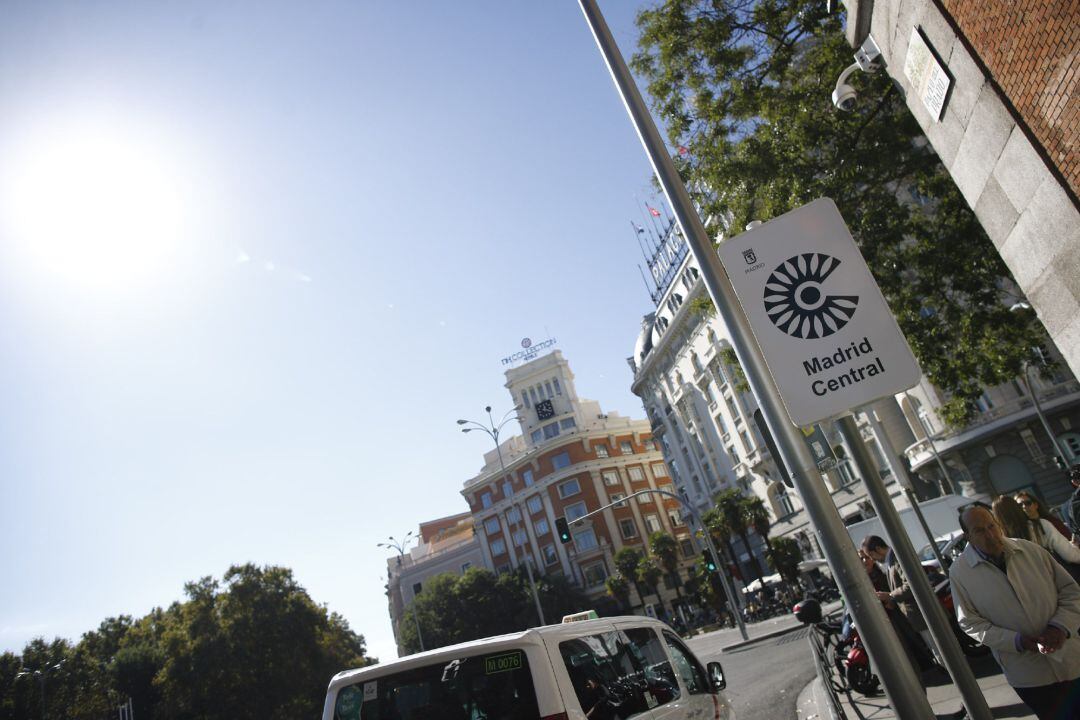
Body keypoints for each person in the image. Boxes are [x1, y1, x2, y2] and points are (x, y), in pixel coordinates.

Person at [950, 501, 1080, 719]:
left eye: (991, 526)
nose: (990, 535)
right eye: (979, 531)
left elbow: (1071, 592)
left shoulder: (1029, 550)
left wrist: (1060, 627)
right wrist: (1016, 641)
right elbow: (970, 622)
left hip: (1071, 659)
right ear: (968, 537)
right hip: (1028, 674)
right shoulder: (961, 572)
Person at [993, 496, 1080, 565]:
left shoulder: (1001, 540)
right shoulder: (1040, 526)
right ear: (1017, 508)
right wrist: (1074, 547)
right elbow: (1070, 555)